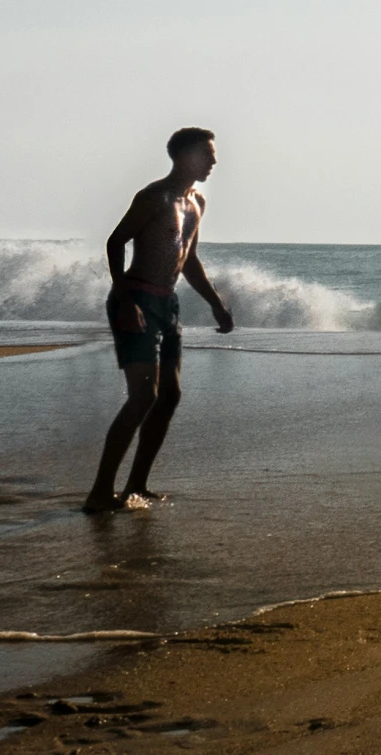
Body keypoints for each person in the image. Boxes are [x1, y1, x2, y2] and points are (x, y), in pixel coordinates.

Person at [83, 127, 234, 514]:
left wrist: (216, 304)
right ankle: (100, 491)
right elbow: (116, 242)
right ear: (183, 156)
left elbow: (190, 259)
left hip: (167, 306)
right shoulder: (153, 198)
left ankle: (137, 485)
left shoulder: (196, 202)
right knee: (143, 396)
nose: (214, 161)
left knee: (169, 395)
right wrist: (123, 297)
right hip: (136, 301)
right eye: (207, 154)